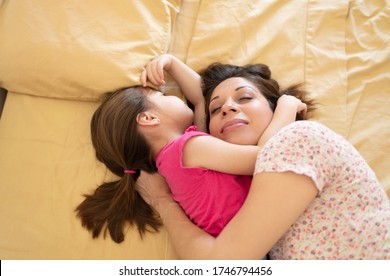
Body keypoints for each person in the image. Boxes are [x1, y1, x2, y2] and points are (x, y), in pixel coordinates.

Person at [136, 59, 390, 259]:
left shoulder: (300, 139)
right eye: (216, 109)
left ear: (274, 107)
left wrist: (162, 201)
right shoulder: (215, 161)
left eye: (245, 97)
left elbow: (220, 265)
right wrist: (171, 63)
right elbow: (200, 101)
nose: (227, 108)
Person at [75, 54, 311, 243]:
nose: (173, 95)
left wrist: (171, 63)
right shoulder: (188, 148)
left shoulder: (174, 160)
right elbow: (263, 158)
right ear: (148, 119)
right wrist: (286, 106)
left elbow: (200, 99)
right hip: (250, 239)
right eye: (161, 94)